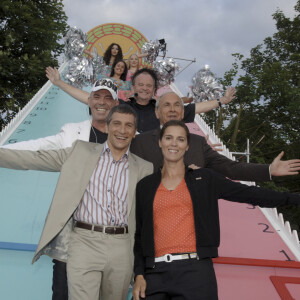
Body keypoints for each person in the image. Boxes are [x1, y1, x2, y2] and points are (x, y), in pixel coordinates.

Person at [132, 120, 300, 300]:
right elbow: (140, 236)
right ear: (160, 142)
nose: (174, 143)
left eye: (180, 139)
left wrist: (294, 198)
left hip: (196, 273)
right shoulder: (145, 186)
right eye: (168, 138)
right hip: (154, 275)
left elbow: (250, 194)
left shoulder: (204, 179)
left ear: (187, 146)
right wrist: (139, 274)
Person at [0, 105, 153, 300]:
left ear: (134, 132)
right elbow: (34, 158)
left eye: (128, 126)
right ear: (107, 126)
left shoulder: (145, 168)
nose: (122, 130)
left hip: (123, 247)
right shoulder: (79, 151)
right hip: (84, 241)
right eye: (116, 124)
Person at [2, 78, 119, 300]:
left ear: (115, 104)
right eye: (97, 96)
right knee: (63, 293)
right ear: (89, 101)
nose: (102, 102)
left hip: (109, 236)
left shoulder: (129, 138)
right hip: (72, 234)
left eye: (108, 97)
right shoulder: (72, 133)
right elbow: (36, 149)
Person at [130, 91, 300, 179]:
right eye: (167, 105)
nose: (173, 109)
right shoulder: (139, 143)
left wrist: (269, 170)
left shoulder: (198, 143)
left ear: (183, 112)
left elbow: (232, 168)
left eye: (177, 105)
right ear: (157, 112)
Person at [46, 66, 236, 133]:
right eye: (140, 85)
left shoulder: (165, 110)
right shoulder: (122, 108)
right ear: (133, 87)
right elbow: (89, 99)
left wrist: (221, 101)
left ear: (154, 89)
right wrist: (60, 83)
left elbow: (197, 108)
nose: (144, 88)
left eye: (149, 85)